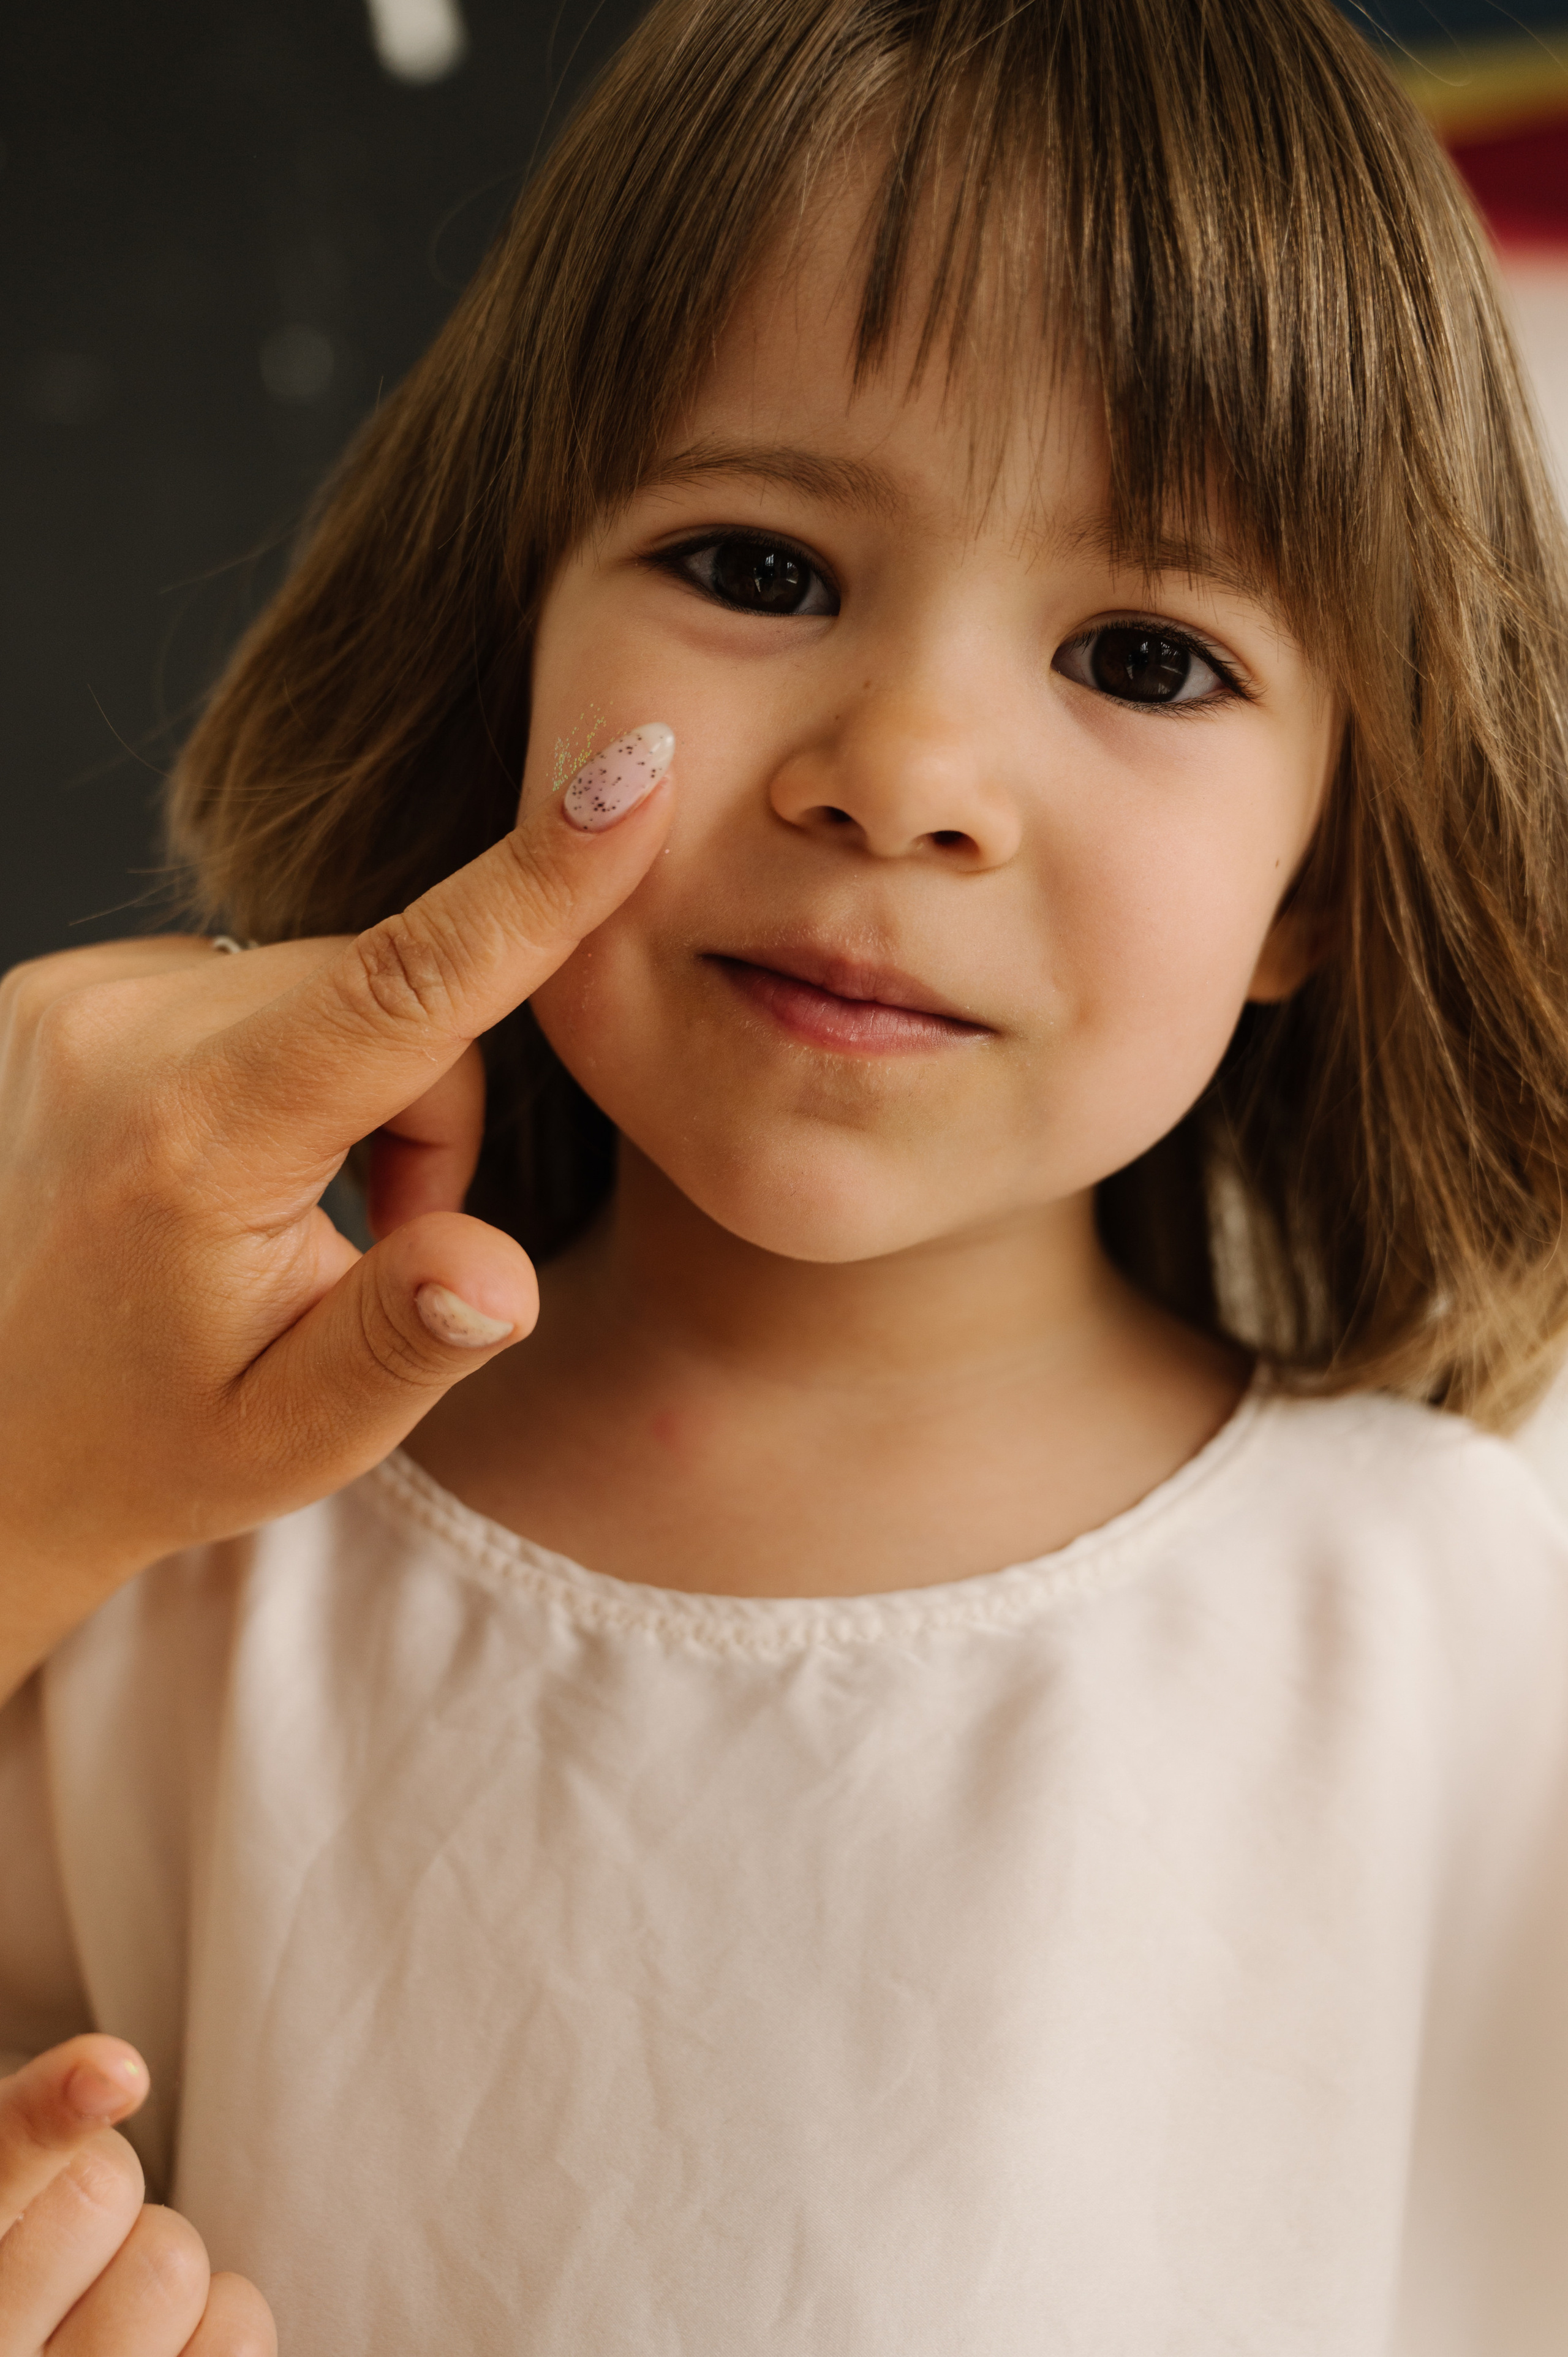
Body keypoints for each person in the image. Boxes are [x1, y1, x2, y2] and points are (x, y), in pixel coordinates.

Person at [4, 0, 1568, 2347]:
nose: (908, 769)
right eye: (757, 567)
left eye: (1144, 654)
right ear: (505, 635)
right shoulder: (175, 1580)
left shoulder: (1457, 1631)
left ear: (1324, 877)